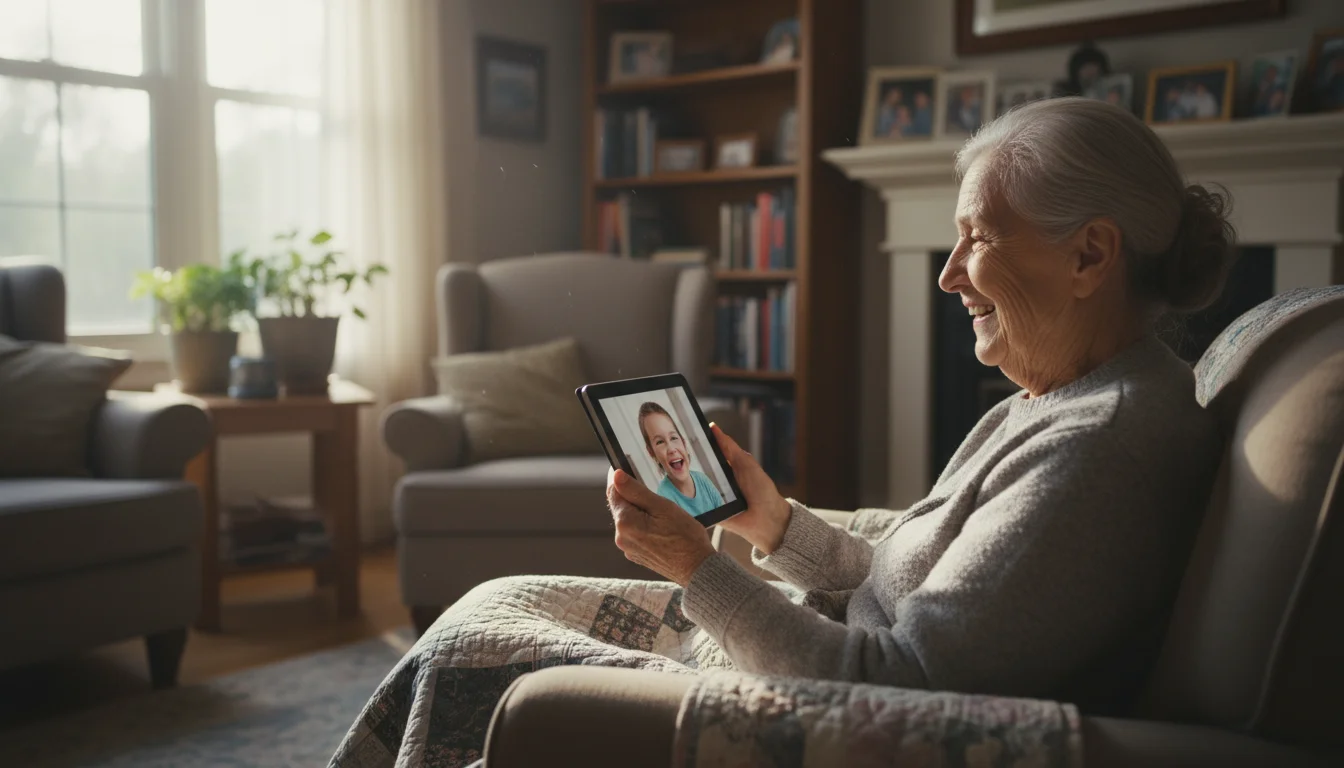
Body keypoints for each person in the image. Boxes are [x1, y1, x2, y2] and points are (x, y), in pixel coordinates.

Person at [333, 98, 1234, 765]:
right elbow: (911, 576)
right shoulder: (1054, 399)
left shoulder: (1103, 444)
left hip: (838, 712)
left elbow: (895, 687)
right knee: (492, 603)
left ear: (1090, 256)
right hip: (821, 649)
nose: (950, 274)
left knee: (473, 651)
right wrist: (775, 525)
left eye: (979, 238)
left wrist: (698, 566)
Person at [637, 401, 723, 516]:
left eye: (673, 438)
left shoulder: (702, 480)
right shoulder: (663, 499)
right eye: (660, 442)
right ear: (652, 452)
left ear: (683, 442)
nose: (672, 449)